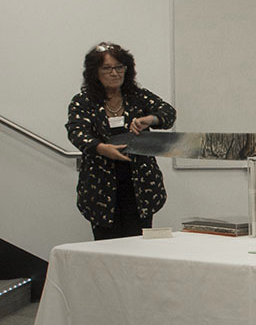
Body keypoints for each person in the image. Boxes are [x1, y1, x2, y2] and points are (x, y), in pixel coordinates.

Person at [66, 42, 177, 240]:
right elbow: (76, 132)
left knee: (139, 244)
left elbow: (168, 113)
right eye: (107, 68)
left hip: (140, 184)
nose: (114, 73)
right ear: (95, 72)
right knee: (106, 245)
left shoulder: (137, 96)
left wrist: (151, 119)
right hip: (101, 187)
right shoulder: (83, 101)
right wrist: (101, 148)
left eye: (119, 67)